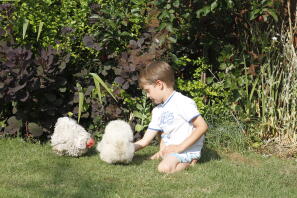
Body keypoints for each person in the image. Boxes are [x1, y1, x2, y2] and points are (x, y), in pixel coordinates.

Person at [134, 61, 208, 174]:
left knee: (163, 168)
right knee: (164, 155)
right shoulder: (157, 111)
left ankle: (189, 161)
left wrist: (179, 148)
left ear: (159, 84)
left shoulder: (182, 102)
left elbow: (202, 126)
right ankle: (167, 156)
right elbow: (145, 141)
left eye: (148, 91)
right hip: (171, 151)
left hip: (185, 150)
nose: (148, 96)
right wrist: (124, 150)